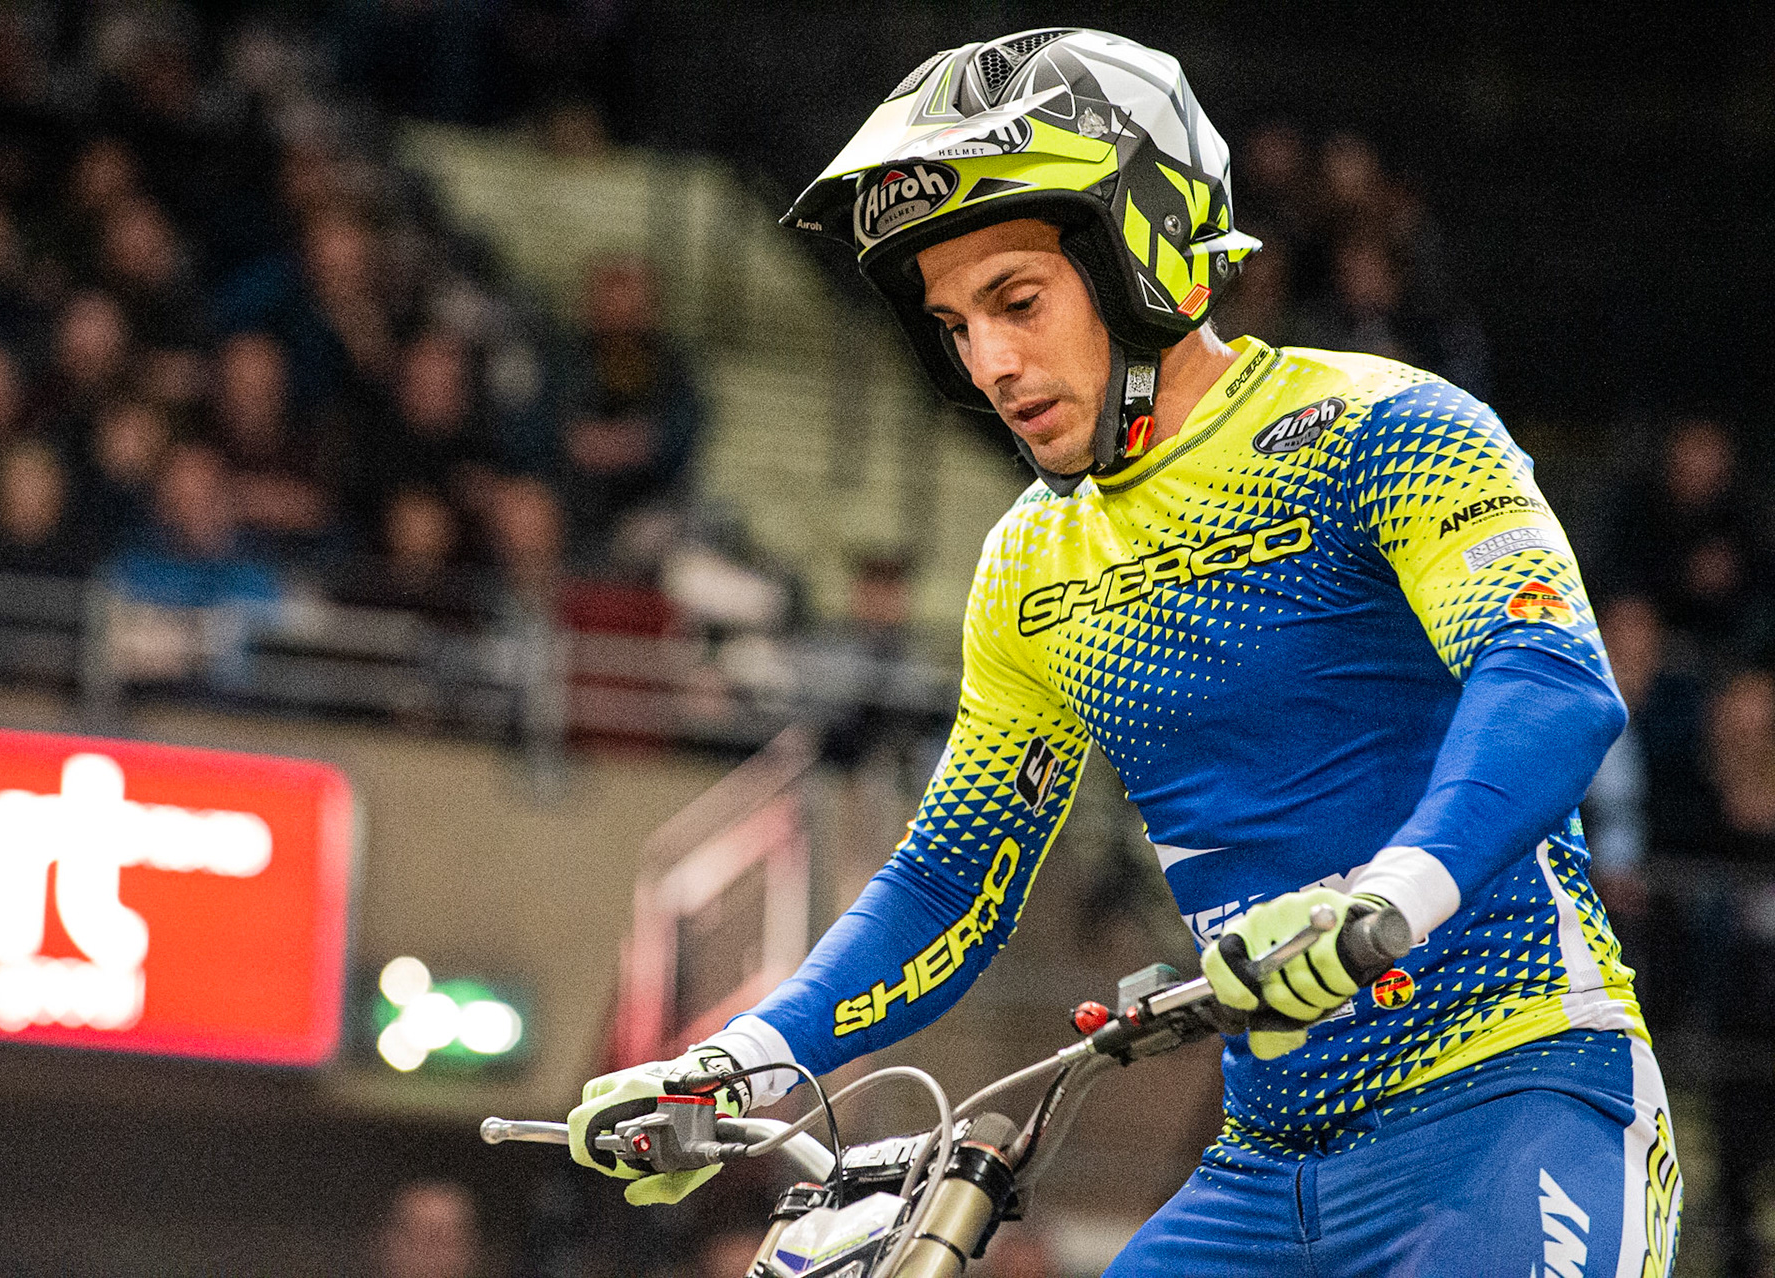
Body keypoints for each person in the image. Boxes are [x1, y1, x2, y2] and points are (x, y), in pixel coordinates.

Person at [566, 28, 1680, 1276]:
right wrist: (738, 1065)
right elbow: (949, 879)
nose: (988, 362)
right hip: (1263, 1165)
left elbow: (1551, 679)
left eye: (1017, 302)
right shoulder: (1030, 566)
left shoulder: (1386, 429)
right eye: (954, 325)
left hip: (1518, 1100)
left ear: (1145, 253)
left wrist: (1389, 901)